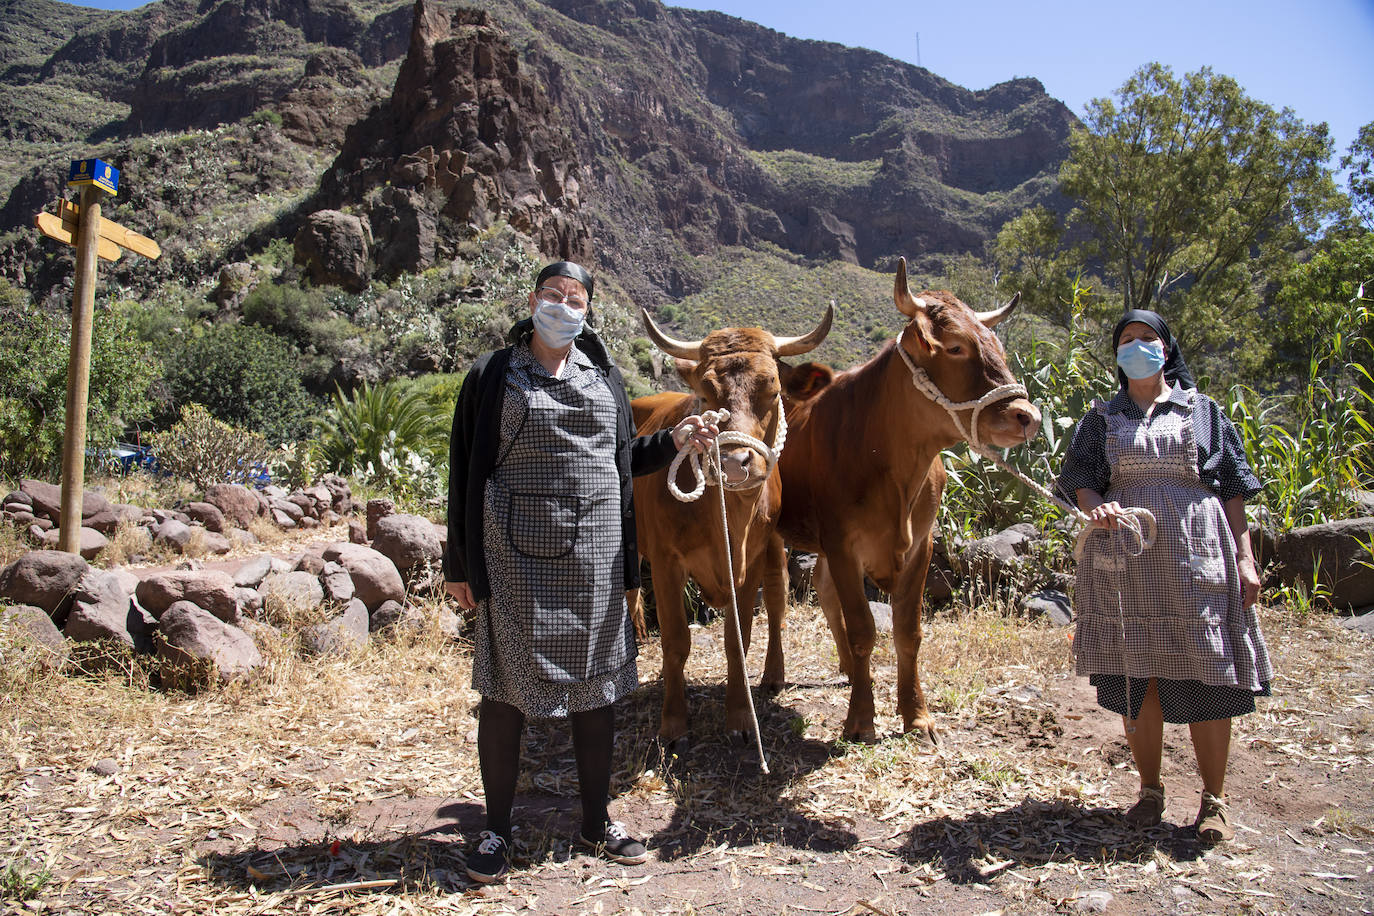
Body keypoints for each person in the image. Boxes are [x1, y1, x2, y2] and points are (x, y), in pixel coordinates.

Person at [443, 260, 717, 883]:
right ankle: (496, 830)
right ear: (533, 299)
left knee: (598, 694)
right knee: (505, 695)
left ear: (588, 309)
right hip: (513, 559)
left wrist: (675, 441)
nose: (563, 306)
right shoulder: (492, 376)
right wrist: (459, 564)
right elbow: (463, 471)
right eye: (553, 294)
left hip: (596, 559)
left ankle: (597, 822)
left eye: (576, 298)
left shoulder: (606, 377)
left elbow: (623, 459)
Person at [1056, 309, 1272, 845]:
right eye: (1126, 339)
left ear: (1167, 348)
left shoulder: (1203, 412)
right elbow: (1081, 480)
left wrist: (1245, 558)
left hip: (1198, 556)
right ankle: (1150, 791)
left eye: (1146, 338)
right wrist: (1096, 506)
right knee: (1137, 673)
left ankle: (1214, 801)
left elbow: (1232, 491)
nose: (1136, 346)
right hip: (1125, 557)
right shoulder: (1100, 418)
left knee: (1208, 673)